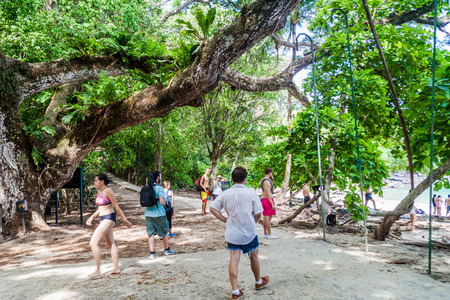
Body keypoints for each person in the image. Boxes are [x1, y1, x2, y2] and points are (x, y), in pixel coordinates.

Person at [210, 166, 269, 300]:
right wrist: (253, 221)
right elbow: (258, 213)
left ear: (232, 178)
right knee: (254, 256)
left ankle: (235, 291)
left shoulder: (226, 193)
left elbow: (212, 208)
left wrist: (225, 219)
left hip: (233, 233)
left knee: (234, 260)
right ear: (245, 178)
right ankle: (258, 282)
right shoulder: (251, 193)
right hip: (249, 231)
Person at [86, 173, 132, 279]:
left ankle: (98, 270)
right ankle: (116, 268)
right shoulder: (100, 192)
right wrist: (92, 217)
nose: (94, 182)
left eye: (96, 181)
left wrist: (125, 220)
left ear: (102, 181)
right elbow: (100, 208)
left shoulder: (108, 191)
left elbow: (116, 206)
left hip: (109, 218)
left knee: (93, 242)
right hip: (103, 218)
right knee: (111, 243)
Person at [146, 171, 174, 259]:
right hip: (159, 213)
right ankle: (166, 249)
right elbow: (162, 202)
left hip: (148, 213)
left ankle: (152, 253)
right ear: (157, 178)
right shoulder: (159, 188)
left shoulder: (147, 187)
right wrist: (166, 202)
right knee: (164, 231)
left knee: (150, 233)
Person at [261, 167, 278, 239]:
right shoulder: (267, 182)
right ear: (270, 173)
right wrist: (272, 203)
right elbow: (268, 192)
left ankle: (265, 233)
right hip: (268, 200)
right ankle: (269, 234)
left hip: (264, 200)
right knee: (268, 218)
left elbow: (268, 189)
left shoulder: (263, 180)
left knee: (265, 217)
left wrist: (272, 181)